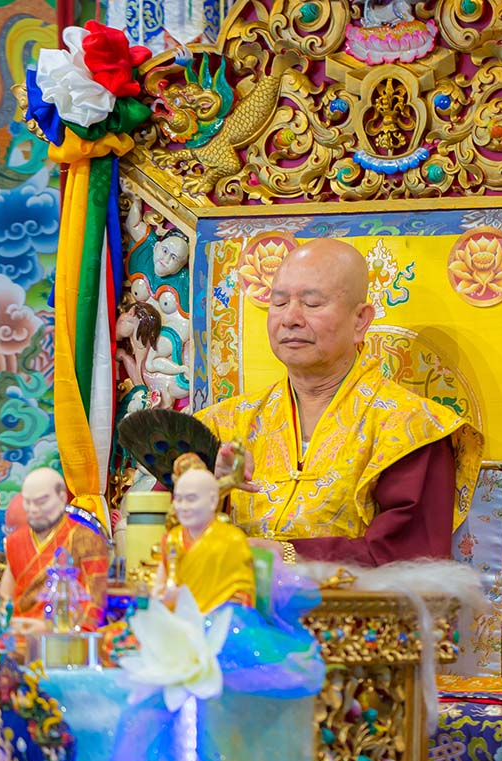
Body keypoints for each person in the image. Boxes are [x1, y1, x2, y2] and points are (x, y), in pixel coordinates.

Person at [196, 238, 482, 567]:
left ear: (360, 320)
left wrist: (287, 555)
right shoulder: (221, 425)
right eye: (279, 302)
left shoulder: (411, 429)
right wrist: (209, 490)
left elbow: (409, 559)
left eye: (312, 303)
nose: (290, 318)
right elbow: (164, 532)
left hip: (347, 601)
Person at [1, 468, 110, 631]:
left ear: (62, 498)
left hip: (64, 633)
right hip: (18, 631)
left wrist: (50, 628)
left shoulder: (86, 539)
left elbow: (95, 601)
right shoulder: (16, 541)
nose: (33, 509)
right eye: (28, 502)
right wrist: (6, 622)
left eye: (41, 502)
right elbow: (5, 598)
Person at [155, 466, 256, 613]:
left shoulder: (232, 540)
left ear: (213, 500)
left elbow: (242, 593)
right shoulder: (172, 539)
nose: (183, 507)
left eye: (191, 499)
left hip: (219, 619)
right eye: (178, 499)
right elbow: (160, 589)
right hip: (178, 618)